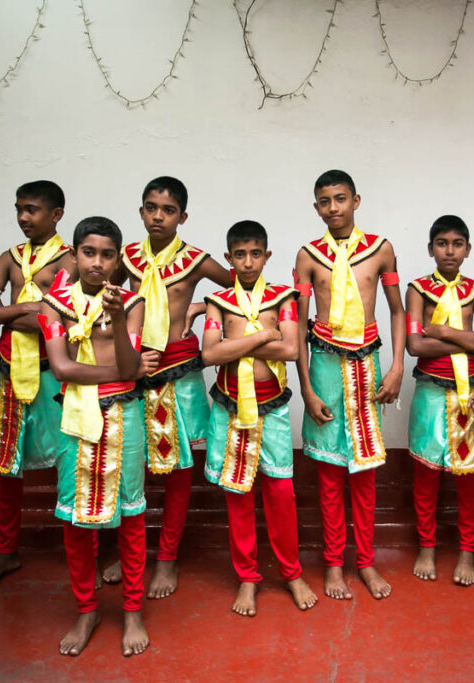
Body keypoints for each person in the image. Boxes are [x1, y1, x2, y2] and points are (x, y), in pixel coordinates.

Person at [109, 176, 233, 598]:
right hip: (135, 369)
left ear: (182, 216)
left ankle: (167, 557)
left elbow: (241, 284)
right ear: (141, 211)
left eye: (167, 210)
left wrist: (202, 304)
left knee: (179, 470)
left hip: (180, 371)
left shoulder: (196, 261)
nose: (157, 216)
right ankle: (131, 551)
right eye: (150, 208)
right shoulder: (124, 258)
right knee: (131, 464)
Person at [40, 216, 156, 657]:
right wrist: (121, 372)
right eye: (89, 252)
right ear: (74, 255)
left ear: (117, 259)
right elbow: (62, 369)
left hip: (125, 419)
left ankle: (132, 611)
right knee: (74, 521)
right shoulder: (54, 306)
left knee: (130, 517)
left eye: (108, 254)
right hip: (76, 420)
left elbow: (129, 367)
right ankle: (86, 609)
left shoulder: (133, 301)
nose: (98, 262)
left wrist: (119, 318)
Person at [294, 169, 405, 600]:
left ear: (356, 200)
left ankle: (366, 561)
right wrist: (305, 386)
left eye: (341, 199)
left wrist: (396, 367)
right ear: (316, 206)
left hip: (368, 368)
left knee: (364, 473)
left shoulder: (381, 250)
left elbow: (396, 310)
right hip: (323, 365)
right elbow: (298, 326)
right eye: (325, 201)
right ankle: (333, 565)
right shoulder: (307, 256)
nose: (333, 208)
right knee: (328, 472)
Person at [201, 220, 318, 617]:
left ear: (267, 256)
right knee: (238, 495)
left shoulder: (283, 298)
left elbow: (290, 350)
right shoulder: (218, 301)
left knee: (281, 494)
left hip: (273, 408)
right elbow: (210, 356)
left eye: (255, 254)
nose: (248, 262)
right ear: (228, 258)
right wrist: (262, 336)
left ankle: (291, 572)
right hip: (230, 408)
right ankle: (248, 578)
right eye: (239, 254)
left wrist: (240, 344)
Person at [0, 180, 77, 592]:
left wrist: (5, 312)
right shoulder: (9, 258)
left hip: (55, 370)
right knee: (6, 464)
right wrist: (31, 308)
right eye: (19, 209)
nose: (23, 217)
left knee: (71, 455)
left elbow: (60, 322)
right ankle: (6, 548)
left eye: (32, 209)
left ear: (56, 215)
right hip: (10, 368)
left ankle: (78, 544)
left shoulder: (70, 260)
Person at [405, 215, 474, 586]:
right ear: (431, 250)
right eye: (442, 243)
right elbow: (416, 345)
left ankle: (466, 552)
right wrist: (468, 337)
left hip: (469, 393)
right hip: (432, 390)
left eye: (457, 243)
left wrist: (444, 331)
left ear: (468, 250)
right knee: (427, 474)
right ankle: (426, 547)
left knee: (469, 477)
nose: (450, 250)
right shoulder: (418, 290)